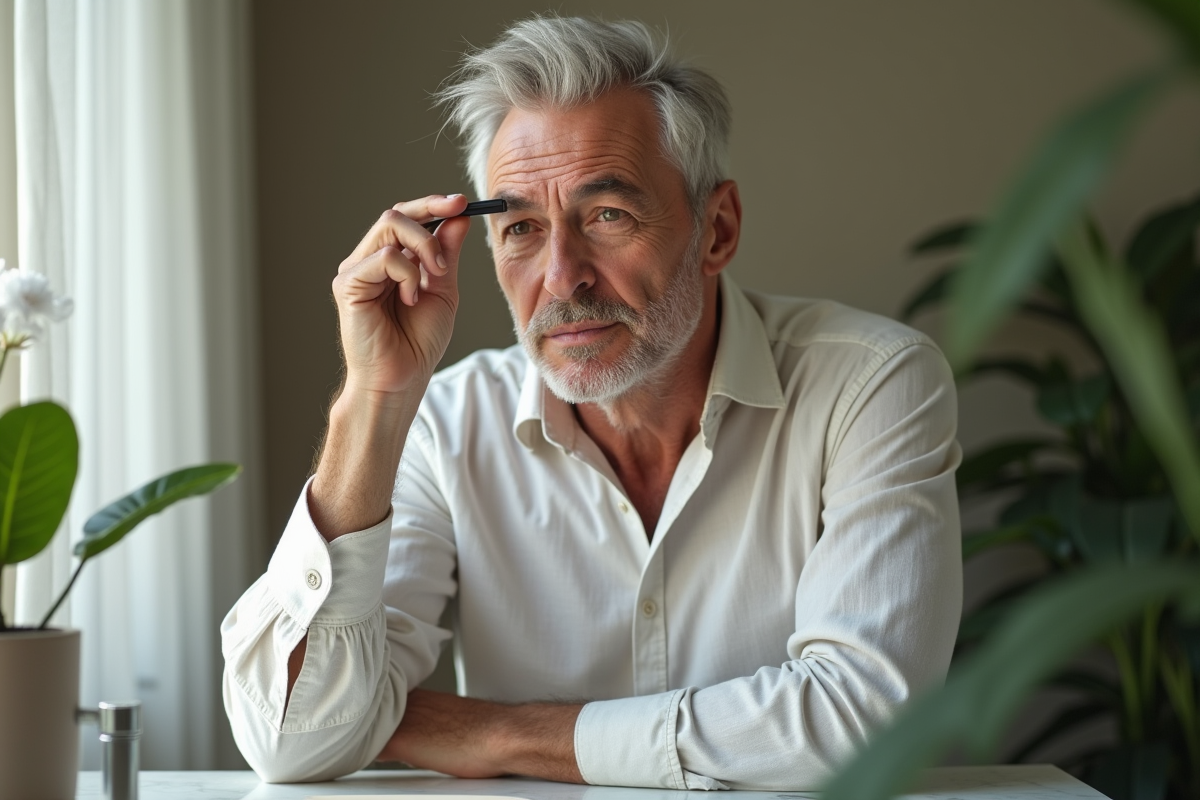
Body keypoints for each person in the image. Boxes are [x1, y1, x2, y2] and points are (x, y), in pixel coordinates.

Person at [222, 15, 962, 791]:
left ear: (716, 230)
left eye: (608, 216)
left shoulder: (870, 385)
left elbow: (869, 725)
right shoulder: (447, 426)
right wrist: (374, 396)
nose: (561, 276)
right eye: (520, 227)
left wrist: (499, 733)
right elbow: (292, 739)